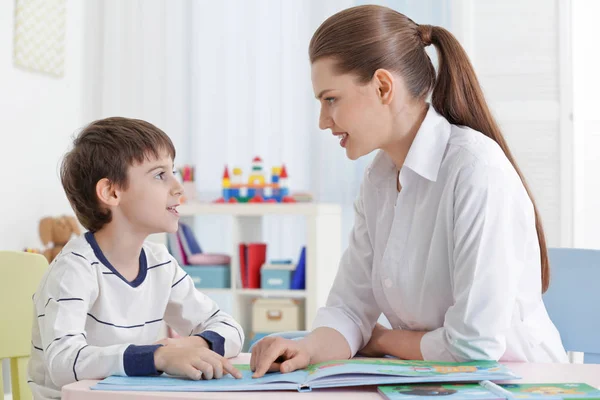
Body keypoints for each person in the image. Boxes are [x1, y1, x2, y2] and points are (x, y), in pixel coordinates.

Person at [250, 4, 567, 378]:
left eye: (330, 99)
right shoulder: (378, 179)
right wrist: (304, 349)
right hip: (431, 379)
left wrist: (383, 341)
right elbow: (350, 310)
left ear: (383, 86)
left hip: (519, 381)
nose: (323, 121)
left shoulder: (475, 170)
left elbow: (473, 348)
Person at [28, 117, 244, 399]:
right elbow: (63, 363)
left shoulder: (160, 263)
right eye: (159, 175)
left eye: (173, 171)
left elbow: (230, 329)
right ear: (111, 192)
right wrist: (158, 357)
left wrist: (195, 344)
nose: (178, 188)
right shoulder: (74, 269)